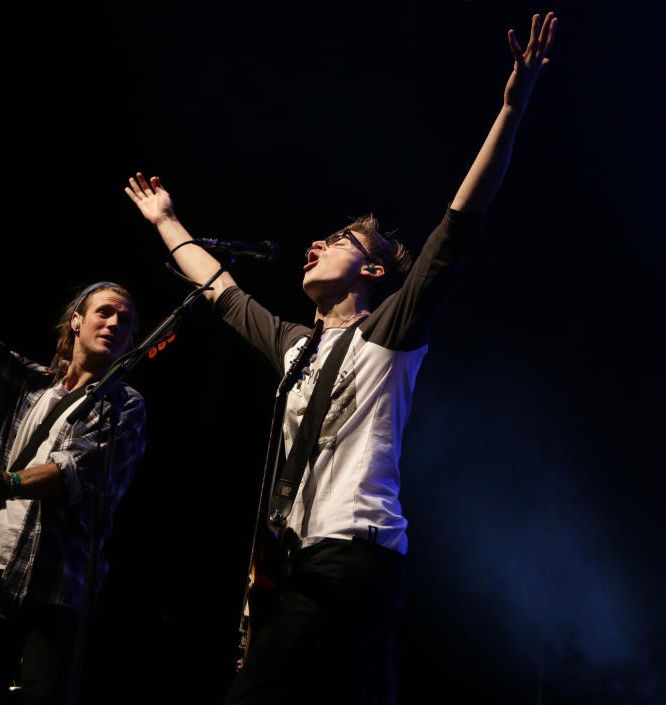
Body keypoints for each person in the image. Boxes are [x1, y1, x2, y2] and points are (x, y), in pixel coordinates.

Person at [126, 12, 557, 704]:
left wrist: (512, 110)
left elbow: (458, 225)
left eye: (337, 240)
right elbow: (222, 292)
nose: (315, 246)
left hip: (352, 558)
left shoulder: (390, 330)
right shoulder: (297, 348)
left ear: (375, 272)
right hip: (298, 566)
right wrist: (167, 222)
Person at [0, 184, 147, 704]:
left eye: (126, 320)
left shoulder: (124, 405)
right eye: (105, 312)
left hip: (57, 592)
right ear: (76, 319)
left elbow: (69, 474)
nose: (116, 323)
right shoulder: (32, 385)